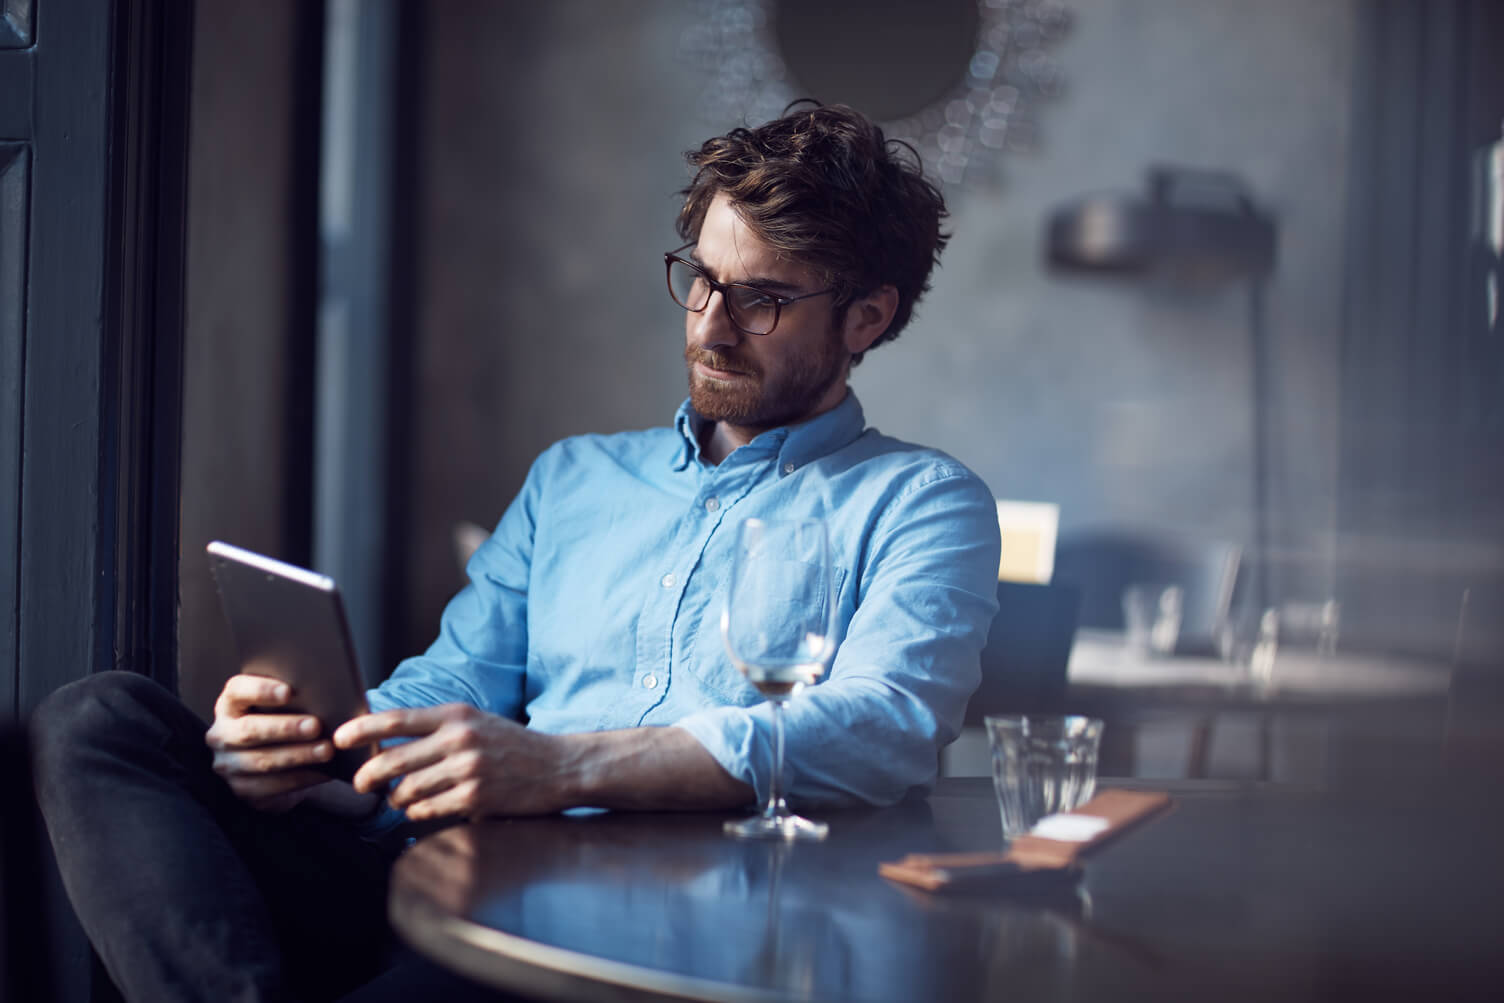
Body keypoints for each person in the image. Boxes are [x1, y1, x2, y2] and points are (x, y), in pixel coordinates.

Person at [31, 102, 1001, 1002]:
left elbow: (884, 721)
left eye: (761, 301)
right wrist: (318, 748)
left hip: (621, 915)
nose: (708, 326)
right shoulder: (575, 478)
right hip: (413, 850)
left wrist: (563, 769)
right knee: (100, 719)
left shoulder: (921, 501)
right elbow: (453, 681)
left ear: (866, 317)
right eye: (700, 278)